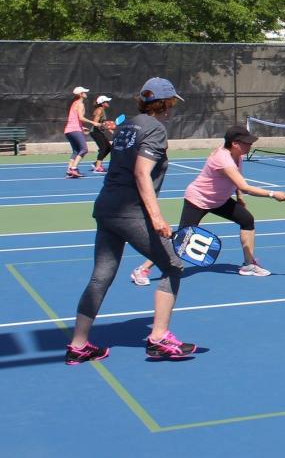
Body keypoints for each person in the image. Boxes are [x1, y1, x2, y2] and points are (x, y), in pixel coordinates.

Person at [65, 77, 196, 365]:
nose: (173, 107)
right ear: (166, 103)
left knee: (101, 276)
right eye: (172, 101)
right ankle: (159, 338)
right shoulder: (156, 129)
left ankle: (78, 344)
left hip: (106, 207)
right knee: (173, 266)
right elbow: (141, 173)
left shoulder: (127, 125)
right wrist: (157, 217)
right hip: (131, 211)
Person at [132, 125, 285, 284]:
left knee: (247, 220)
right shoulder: (223, 158)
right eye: (247, 143)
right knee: (182, 238)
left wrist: (239, 198)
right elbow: (244, 186)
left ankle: (249, 264)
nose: (250, 145)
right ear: (235, 143)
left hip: (219, 200)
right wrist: (272, 194)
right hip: (198, 200)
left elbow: (237, 181)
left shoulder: (237, 155)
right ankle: (142, 269)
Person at [63, 86, 101, 178]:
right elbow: (81, 118)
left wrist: (82, 127)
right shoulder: (80, 104)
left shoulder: (74, 103)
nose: (86, 93)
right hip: (75, 129)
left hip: (68, 130)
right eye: (84, 92)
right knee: (84, 149)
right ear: (80, 94)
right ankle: (74, 169)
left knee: (76, 151)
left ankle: (69, 170)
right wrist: (94, 123)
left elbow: (73, 119)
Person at [89, 95, 115, 174]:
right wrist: (105, 125)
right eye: (106, 101)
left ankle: (96, 163)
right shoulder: (99, 110)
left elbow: (102, 123)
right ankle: (97, 167)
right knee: (103, 148)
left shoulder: (102, 110)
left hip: (99, 131)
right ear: (102, 103)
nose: (108, 102)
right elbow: (95, 123)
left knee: (109, 148)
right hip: (95, 132)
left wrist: (110, 129)